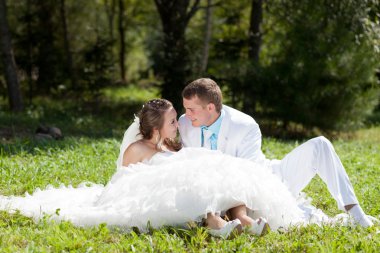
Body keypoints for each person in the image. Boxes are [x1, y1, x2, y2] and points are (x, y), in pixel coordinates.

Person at [1, 99, 308, 239]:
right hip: (161, 192)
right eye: (174, 121)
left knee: (218, 172)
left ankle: (240, 218)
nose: (179, 125)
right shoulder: (137, 149)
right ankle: (216, 222)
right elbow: (126, 185)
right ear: (159, 127)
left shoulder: (171, 147)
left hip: (185, 181)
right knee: (198, 184)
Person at [179, 77, 376, 228]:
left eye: (192, 109)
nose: (187, 114)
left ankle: (355, 212)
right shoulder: (184, 123)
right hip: (217, 194)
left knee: (320, 145)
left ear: (210, 107)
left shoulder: (244, 125)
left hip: (266, 182)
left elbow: (249, 173)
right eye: (185, 108)